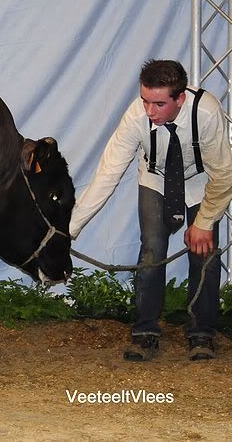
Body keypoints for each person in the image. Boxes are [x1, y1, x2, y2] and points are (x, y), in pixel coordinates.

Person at [70, 59, 232, 361]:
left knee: (205, 253)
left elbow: (224, 174)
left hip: (201, 182)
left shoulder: (206, 113)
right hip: (156, 179)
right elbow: (108, 173)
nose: (149, 111)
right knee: (151, 251)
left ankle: (202, 334)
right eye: (145, 100)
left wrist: (205, 221)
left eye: (158, 104)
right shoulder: (136, 115)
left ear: (180, 98)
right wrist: (71, 228)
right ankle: (145, 333)